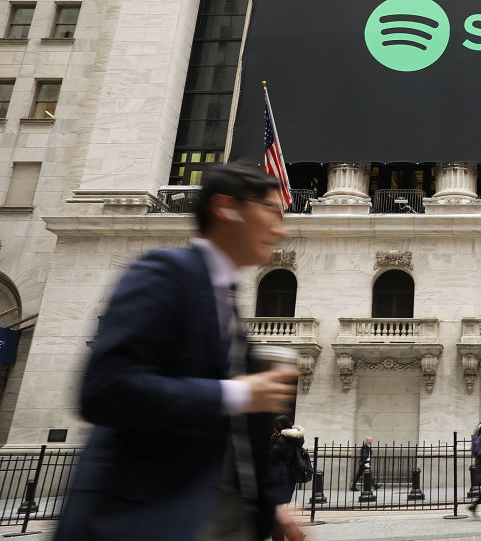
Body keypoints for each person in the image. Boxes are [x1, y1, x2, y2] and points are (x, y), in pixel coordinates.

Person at [53, 164, 304, 541]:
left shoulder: (227, 303)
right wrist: (238, 393)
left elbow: (239, 434)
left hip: (214, 518)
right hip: (140, 520)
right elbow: (106, 389)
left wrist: (271, 505)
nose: (280, 229)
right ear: (227, 208)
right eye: (271, 212)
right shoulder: (162, 273)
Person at [265, 414, 306, 513]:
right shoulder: (296, 439)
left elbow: (272, 457)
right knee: (285, 501)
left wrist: (272, 441)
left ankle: (279, 524)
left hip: (281, 475)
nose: (274, 429)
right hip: (292, 473)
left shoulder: (282, 440)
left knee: (278, 503)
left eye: (275, 427)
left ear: (279, 426)